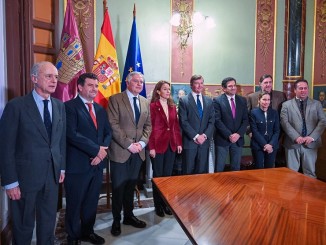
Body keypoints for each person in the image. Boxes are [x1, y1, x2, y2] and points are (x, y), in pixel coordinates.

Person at [0, 61, 66, 244]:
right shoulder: (16, 106)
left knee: (48, 222)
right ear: (34, 78)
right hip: (24, 179)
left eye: (56, 77)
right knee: (23, 225)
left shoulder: (60, 106)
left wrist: (61, 168)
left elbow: (60, 141)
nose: (54, 81)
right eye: (49, 76)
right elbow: (6, 147)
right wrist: (10, 182)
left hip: (52, 177)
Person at [64, 73, 112, 245]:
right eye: (91, 85)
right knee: (75, 203)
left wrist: (102, 152)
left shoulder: (99, 108)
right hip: (78, 165)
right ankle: (73, 236)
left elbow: (108, 132)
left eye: (96, 86)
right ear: (80, 87)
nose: (94, 89)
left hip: (97, 165)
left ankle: (88, 232)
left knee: (91, 202)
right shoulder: (69, 107)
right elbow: (72, 135)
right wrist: (97, 150)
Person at [108, 71, 152, 236]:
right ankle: (116, 220)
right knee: (118, 188)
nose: (140, 84)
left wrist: (141, 143)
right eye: (136, 81)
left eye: (142, 81)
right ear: (127, 82)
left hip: (138, 152)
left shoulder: (145, 102)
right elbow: (113, 125)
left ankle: (128, 216)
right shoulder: (115, 99)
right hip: (121, 151)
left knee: (130, 187)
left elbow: (148, 126)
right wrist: (128, 144)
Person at [148, 81, 182, 217]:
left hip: (171, 145)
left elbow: (175, 127)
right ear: (158, 91)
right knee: (158, 177)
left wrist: (178, 143)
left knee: (167, 178)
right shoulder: (152, 106)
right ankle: (158, 206)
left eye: (169, 89)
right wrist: (151, 147)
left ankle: (165, 204)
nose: (168, 91)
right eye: (165, 89)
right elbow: (149, 127)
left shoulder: (172, 106)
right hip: (157, 146)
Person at [280, 79, 326, 178]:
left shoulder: (317, 104)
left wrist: (312, 137)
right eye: (300, 88)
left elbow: (323, 121)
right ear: (295, 90)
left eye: (305, 88)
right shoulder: (286, 105)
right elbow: (284, 122)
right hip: (292, 143)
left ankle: (309, 193)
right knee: (291, 174)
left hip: (311, 143)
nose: (303, 90)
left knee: (310, 173)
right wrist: (296, 137)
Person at [178, 75, 215, 174]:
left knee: (202, 172)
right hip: (190, 142)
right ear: (191, 85)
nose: (199, 85)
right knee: (188, 171)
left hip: (204, 142)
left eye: (201, 83)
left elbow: (212, 121)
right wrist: (196, 136)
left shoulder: (209, 101)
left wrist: (204, 136)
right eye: (196, 83)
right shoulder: (184, 100)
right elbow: (183, 121)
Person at [213, 77, 248, 172]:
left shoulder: (242, 100)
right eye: (230, 86)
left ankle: (235, 187)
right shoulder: (217, 101)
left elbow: (245, 120)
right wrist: (229, 135)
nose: (233, 88)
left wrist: (238, 134)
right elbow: (217, 120)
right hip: (222, 139)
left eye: (234, 85)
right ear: (224, 89)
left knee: (236, 168)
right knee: (219, 168)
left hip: (238, 139)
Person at [249, 92, 280, 169]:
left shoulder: (274, 113)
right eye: (264, 99)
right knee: (258, 168)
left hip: (272, 145)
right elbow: (254, 131)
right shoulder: (253, 113)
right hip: (258, 145)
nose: (266, 102)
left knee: (269, 169)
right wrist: (265, 145)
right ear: (259, 100)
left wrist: (270, 145)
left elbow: (277, 131)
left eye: (268, 100)